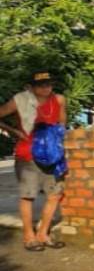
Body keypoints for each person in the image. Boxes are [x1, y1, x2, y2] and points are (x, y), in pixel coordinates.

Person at [0, 72, 68, 251]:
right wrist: (14, 132)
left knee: (55, 195)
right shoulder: (20, 100)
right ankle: (28, 236)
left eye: (48, 84)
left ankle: (43, 234)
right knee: (28, 196)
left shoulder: (59, 100)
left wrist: (58, 144)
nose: (46, 88)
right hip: (27, 155)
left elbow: (62, 125)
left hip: (53, 156)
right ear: (31, 86)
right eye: (41, 85)